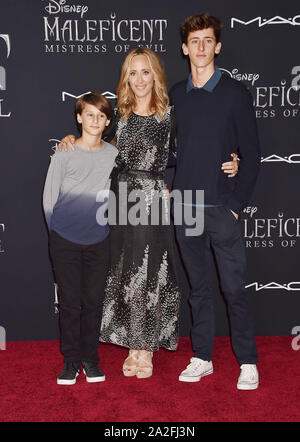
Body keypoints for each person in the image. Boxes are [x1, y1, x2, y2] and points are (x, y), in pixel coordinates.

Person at [58, 47, 238, 380]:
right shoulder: (117, 115)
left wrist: (234, 159)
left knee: (150, 272)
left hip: (153, 200)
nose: (139, 79)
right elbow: (92, 141)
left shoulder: (171, 115)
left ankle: (146, 349)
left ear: (155, 74)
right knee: (125, 273)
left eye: (145, 72)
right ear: (125, 78)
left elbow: (196, 150)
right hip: (121, 200)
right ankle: (132, 346)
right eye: (132, 73)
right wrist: (70, 137)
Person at [169, 13, 261, 390]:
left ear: (218, 46)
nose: (202, 47)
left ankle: (248, 361)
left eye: (208, 40)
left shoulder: (235, 93)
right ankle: (202, 356)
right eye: (195, 41)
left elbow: (252, 154)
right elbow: (169, 153)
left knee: (234, 289)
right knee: (199, 290)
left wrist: (236, 204)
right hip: (186, 207)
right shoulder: (175, 95)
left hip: (223, 210)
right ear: (184, 47)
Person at [43, 93, 118, 385]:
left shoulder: (112, 154)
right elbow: (49, 198)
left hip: (99, 239)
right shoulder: (65, 151)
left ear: (108, 121)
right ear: (78, 118)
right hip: (64, 240)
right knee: (70, 304)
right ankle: (71, 361)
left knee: (94, 302)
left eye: (101, 116)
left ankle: (90, 359)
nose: (95, 121)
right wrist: (57, 234)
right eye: (89, 114)